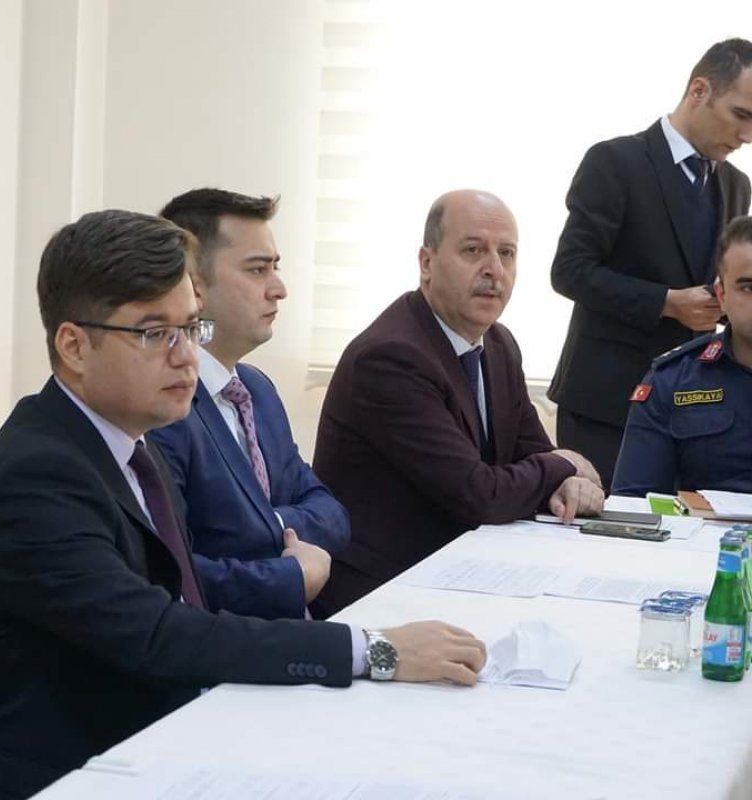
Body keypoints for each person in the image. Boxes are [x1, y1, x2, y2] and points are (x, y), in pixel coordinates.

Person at [0, 209, 486, 800]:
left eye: (190, 328)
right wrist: (373, 649)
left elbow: (184, 607)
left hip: (157, 733)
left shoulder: (131, 444)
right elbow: (160, 634)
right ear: (74, 346)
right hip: (67, 774)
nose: (186, 357)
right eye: (154, 334)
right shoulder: (37, 478)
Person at [312, 190, 604, 615]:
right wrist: (565, 464)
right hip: (383, 591)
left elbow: (534, 455)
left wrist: (564, 478)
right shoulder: (391, 357)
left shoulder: (498, 344)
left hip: (464, 570)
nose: (494, 269)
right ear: (426, 263)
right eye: (473, 250)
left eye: (507, 254)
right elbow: (480, 493)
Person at [548, 38, 752, 491]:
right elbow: (569, 270)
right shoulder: (615, 162)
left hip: (698, 410)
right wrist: (666, 302)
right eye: (741, 115)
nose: (747, 135)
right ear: (699, 91)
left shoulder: (738, 185)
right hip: (606, 404)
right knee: (610, 529)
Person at [148, 188, 349, 620]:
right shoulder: (162, 406)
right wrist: (290, 570)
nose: (279, 289)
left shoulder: (257, 390)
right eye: (258, 270)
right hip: (223, 642)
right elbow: (173, 573)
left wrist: (268, 525)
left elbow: (331, 513)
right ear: (194, 286)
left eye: (276, 267)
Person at [613, 217, 752, 495]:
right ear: (721, 296)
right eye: (748, 288)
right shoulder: (671, 382)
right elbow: (634, 503)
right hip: (704, 524)